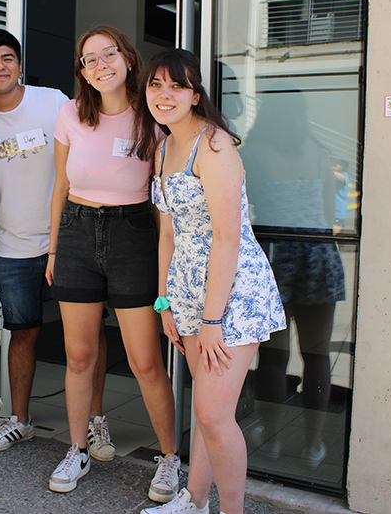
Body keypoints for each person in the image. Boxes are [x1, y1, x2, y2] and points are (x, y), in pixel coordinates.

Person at [133, 49, 286, 514]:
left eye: (176, 86)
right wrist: (164, 303)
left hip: (230, 292)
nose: (164, 95)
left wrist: (212, 319)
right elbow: (167, 234)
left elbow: (227, 237)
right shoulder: (162, 147)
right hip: (186, 289)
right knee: (204, 408)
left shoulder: (214, 144)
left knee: (214, 415)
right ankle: (194, 500)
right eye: (155, 84)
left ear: (195, 94)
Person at [0, 28, 116, 461]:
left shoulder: (53, 102)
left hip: (69, 240)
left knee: (88, 335)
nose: (0, 66)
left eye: (8, 58)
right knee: (22, 332)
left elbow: (92, 142)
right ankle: (19, 419)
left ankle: (95, 420)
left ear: (19, 64)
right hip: (12, 245)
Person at [45, 25, 179, 502]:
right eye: (90, 59)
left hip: (133, 234)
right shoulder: (69, 114)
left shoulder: (152, 118)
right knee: (80, 355)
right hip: (77, 234)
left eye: (109, 54)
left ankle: (169, 458)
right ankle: (77, 448)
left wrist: (167, 270)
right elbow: (60, 186)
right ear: (82, 72)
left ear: (127, 58)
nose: (101, 65)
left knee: (145, 361)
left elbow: (163, 201)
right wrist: (54, 249)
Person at [242, 84, 345, 470]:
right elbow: (327, 215)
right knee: (317, 356)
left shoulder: (250, 153)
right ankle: (312, 446)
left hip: (273, 256)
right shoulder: (320, 153)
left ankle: (270, 442)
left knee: (272, 357)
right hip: (318, 256)